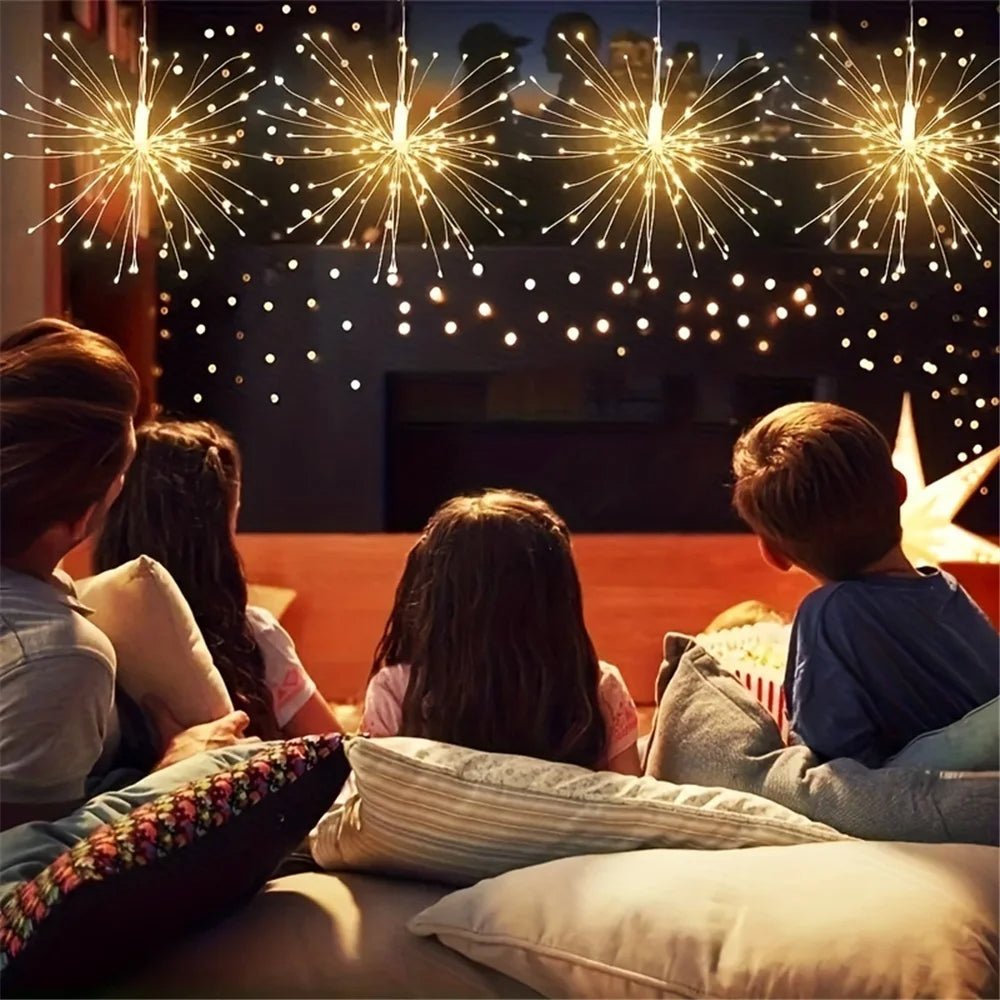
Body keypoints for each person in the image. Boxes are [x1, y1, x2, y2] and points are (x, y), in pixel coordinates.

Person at [0, 320, 249, 831]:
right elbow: (23, 885)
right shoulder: (59, 655)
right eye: (121, 472)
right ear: (78, 518)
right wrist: (176, 775)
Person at [731, 400, 998, 767]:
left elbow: (828, 769)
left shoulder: (828, 615)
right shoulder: (950, 592)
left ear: (773, 554)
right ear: (901, 489)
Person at [363, 489, 641, 774]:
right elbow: (629, 811)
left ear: (437, 600)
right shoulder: (596, 690)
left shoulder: (397, 691)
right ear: (555, 603)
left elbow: (377, 807)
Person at [95, 420, 340, 741]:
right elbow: (340, 753)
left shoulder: (91, 626)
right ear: (215, 530)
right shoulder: (249, 638)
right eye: (234, 510)